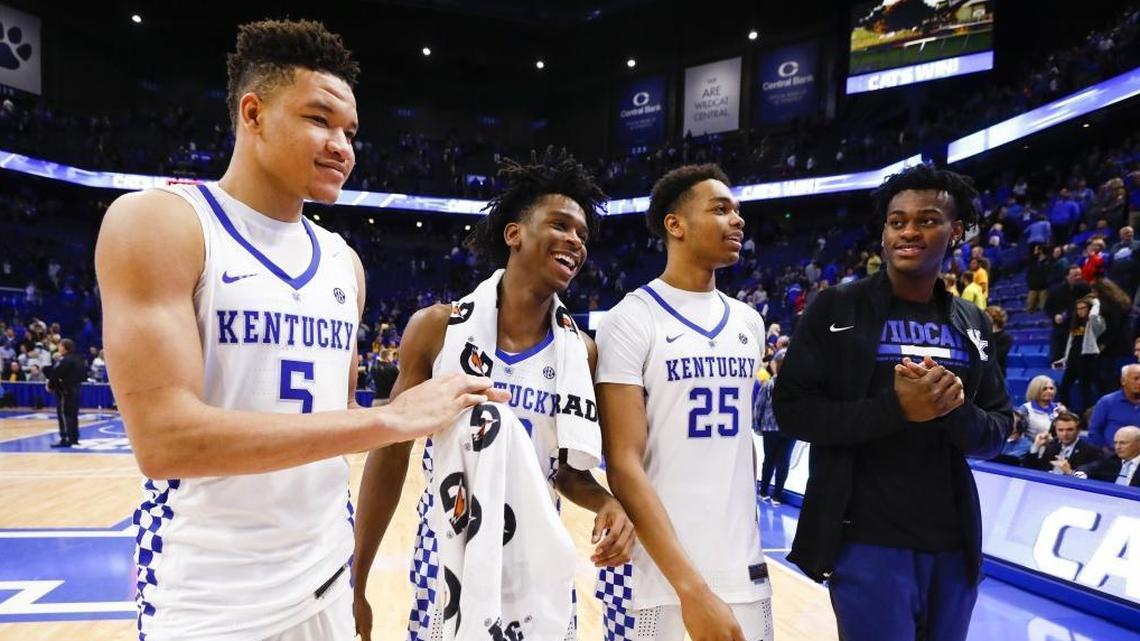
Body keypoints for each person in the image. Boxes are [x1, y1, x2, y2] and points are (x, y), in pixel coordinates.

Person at [94, 20, 504, 641]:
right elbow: (166, 440)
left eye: (350, 131)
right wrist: (389, 418)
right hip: (206, 587)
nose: (343, 145)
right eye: (320, 120)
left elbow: (332, 421)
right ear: (253, 113)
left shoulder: (345, 262)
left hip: (324, 572)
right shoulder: (161, 223)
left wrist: (434, 414)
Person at [351, 151, 634, 641]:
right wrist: (358, 579)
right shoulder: (437, 329)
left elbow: (566, 472)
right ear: (514, 234)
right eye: (561, 225)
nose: (574, 241)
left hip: (537, 555)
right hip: (445, 547)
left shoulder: (581, 351)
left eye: (582, 235)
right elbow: (392, 450)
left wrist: (608, 503)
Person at [773, 164, 1011, 641]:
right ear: (883, 232)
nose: (908, 231)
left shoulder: (973, 322)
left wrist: (952, 410)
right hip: (865, 541)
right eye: (897, 221)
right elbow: (793, 409)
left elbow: (998, 427)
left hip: (953, 545)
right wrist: (897, 409)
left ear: (955, 230)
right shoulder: (834, 308)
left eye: (926, 220)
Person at [596, 164, 773, 641]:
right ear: (674, 225)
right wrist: (691, 588)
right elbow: (623, 463)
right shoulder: (629, 320)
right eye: (720, 209)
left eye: (738, 211)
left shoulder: (748, 323)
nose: (737, 220)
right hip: (652, 575)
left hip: (742, 565)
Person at [754, 348, 794, 505]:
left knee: (769, 459)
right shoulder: (797, 386)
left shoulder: (769, 384)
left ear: (776, 365)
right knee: (784, 462)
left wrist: (757, 426)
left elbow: (759, 406)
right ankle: (777, 496)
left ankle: (763, 491)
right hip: (790, 429)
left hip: (770, 428)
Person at [1054, 294, 1106, 414]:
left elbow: (1093, 316)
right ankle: (1065, 413)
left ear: (1089, 309)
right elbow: (1070, 344)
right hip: (1073, 359)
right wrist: (1064, 359)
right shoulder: (1074, 324)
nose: (1080, 311)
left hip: (1087, 359)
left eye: (1083, 308)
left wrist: (1096, 302)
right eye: (1078, 308)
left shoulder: (1095, 323)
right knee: (1064, 387)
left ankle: (1086, 417)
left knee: (1085, 390)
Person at [1021, 411, 1103, 473]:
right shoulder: (1051, 447)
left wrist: (1070, 472)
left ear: (1078, 431)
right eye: (1060, 430)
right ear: (1055, 431)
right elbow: (1032, 469)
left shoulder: (1091, 451)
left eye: (1070, 430)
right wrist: (1036, 446)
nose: (1065, 434)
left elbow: (1091, 478)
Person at [1087, 364, 1140, 453]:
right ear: (1123, 381)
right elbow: (1094, 431)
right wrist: (1107, 453)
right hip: (1113, 457)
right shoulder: (1107, 402)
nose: (1139, 382)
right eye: (1136, 379)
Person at [1045, 265, 1091, 362]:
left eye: (1079, 274)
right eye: (1075, 275)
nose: (1078, 277)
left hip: (1080, 327)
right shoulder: (1056, 291)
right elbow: (1048, 307)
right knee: (1056, 357)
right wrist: (1054, 316)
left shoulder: (1085, 288)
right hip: (1062, 329)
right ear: (1067, 276)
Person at [45, 338, 86, 448]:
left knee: (64, 415)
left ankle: (66, 438)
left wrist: (50, 386)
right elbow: (83, 376)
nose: (59, 348)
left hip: (65, 391)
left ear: (65, 347)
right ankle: (74, 438)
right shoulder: (79, 359)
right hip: (76, 389)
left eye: (60, 346)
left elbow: (56, 375)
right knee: (73, 415)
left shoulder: (65, 360)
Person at [1073, 425, 1140, 486]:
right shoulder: (1112, 460)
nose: (1117, 447)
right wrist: (1081, 474)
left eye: (1123, 443)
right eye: (1115, 443)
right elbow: (1086, 468)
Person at [1018, 375, 1064, 440]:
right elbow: (1018, 433)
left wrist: (1064, 414)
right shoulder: (1025, 409)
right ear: (1035, 390)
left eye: (1051, 388)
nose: (1049, 391)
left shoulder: (1059, 408)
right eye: (1044, 389)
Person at [985, 306, 1011, 376]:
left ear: (994, 318)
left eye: (986, 316)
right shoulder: (983, 335)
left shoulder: (1005, 337)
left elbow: (997, 356)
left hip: (997, 375)